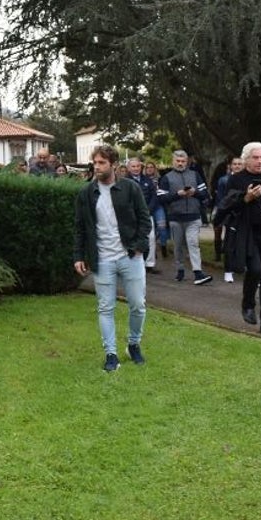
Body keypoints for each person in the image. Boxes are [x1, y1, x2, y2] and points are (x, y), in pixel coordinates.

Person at [73, 144, 153, 372]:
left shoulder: (130, 188)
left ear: (114, 165)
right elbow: (79, 227)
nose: (96, 167)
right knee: (105, 308)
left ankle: (134, 344)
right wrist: (79, 255)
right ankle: (111, 354)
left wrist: (138, 246)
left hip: (130, 256)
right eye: (95, 162)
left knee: (138, 305)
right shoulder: (86, 193)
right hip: (102, 260)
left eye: (101, 163)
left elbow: (145, 220)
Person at [215, 143, 261, 337]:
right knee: (256, 270)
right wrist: (246, 198)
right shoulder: (236, 180)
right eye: (256, 157)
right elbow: (227, 207)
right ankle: (247, 303)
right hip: (247, 232)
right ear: (246, 158)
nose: (260, 161)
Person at [160, 150, 212, 284]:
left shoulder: (195, 175)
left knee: (193, 243)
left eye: (183, 161)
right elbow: (161, 198)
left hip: (194, 216)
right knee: (178, 246)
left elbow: (205, 193)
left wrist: (195, 193)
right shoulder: (166, 178)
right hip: (175, 217)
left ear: (187, 161)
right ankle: (180, 269)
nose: (180, 163)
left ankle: (198, 273)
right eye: (178, 161)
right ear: (173, 161)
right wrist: (178, 194)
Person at [125, 156, 160, 273]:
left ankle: (149, 264)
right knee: (133, 239)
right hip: (132, 216)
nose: (136, 168)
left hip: (146, 214)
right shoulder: (124, 182)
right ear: (129, 168)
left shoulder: (147, 180)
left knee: (151, 237)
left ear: (141, 167)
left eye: (138, 166)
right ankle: (133, 264)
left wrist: (148, 210)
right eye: (133, 166)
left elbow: (154, 196)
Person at [213, 155, 244, 282]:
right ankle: (228, 270)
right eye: (235, 164)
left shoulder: (246, 179)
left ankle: (241, 266)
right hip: (230, 215)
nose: (237, 166)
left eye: (239, 164)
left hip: (244, 215)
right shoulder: (224, 180)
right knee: (230, 242)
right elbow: (221, 199)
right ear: (230, 166)